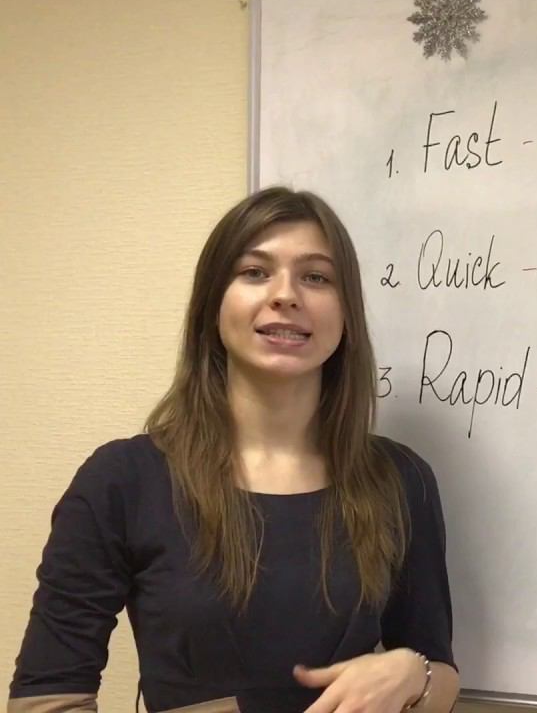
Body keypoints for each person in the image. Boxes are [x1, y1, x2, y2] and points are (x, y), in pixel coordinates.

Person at [8, 188, 460, 712]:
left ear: (346, 314)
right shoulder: (122, 480)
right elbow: (46, 697)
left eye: (316, 277)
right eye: (254, 272)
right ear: (213, 305)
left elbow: (439, 670)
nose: (286, 294)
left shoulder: (401, 478)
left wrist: (415, 673)